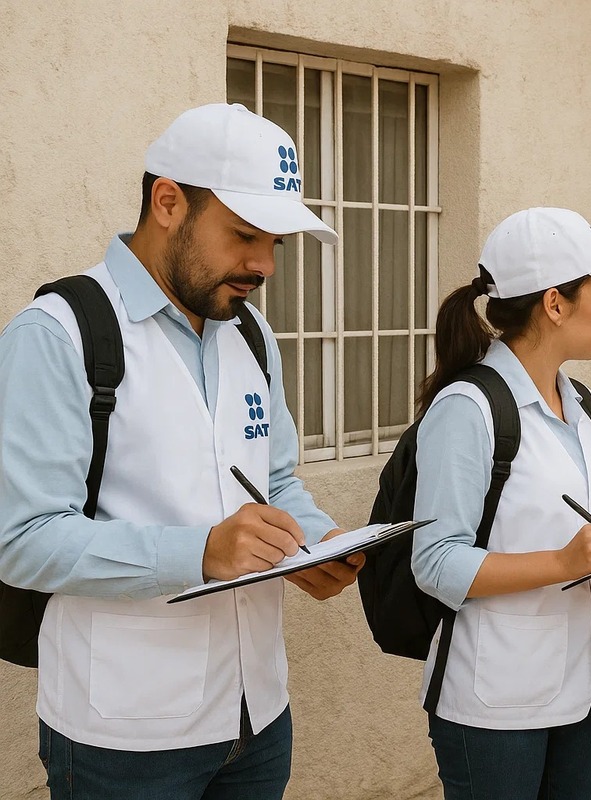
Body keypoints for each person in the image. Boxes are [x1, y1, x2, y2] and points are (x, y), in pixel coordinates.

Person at [0, 103, 364, 800]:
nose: (263, 266)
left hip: (257, 720)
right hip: (125, 740)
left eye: (275, 244)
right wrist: (198, 552)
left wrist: (318, 544)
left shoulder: (250, 335)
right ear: (167, 202)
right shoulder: (59, 334)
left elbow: (276, 481)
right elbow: (22, 541)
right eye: (244, 236)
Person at [411, 207, 591, 800]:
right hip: (500, 705)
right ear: (555, 304)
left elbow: (577, 532)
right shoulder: (468, 408)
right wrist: (563, 563)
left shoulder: (584, 406)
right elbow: (436, 562)